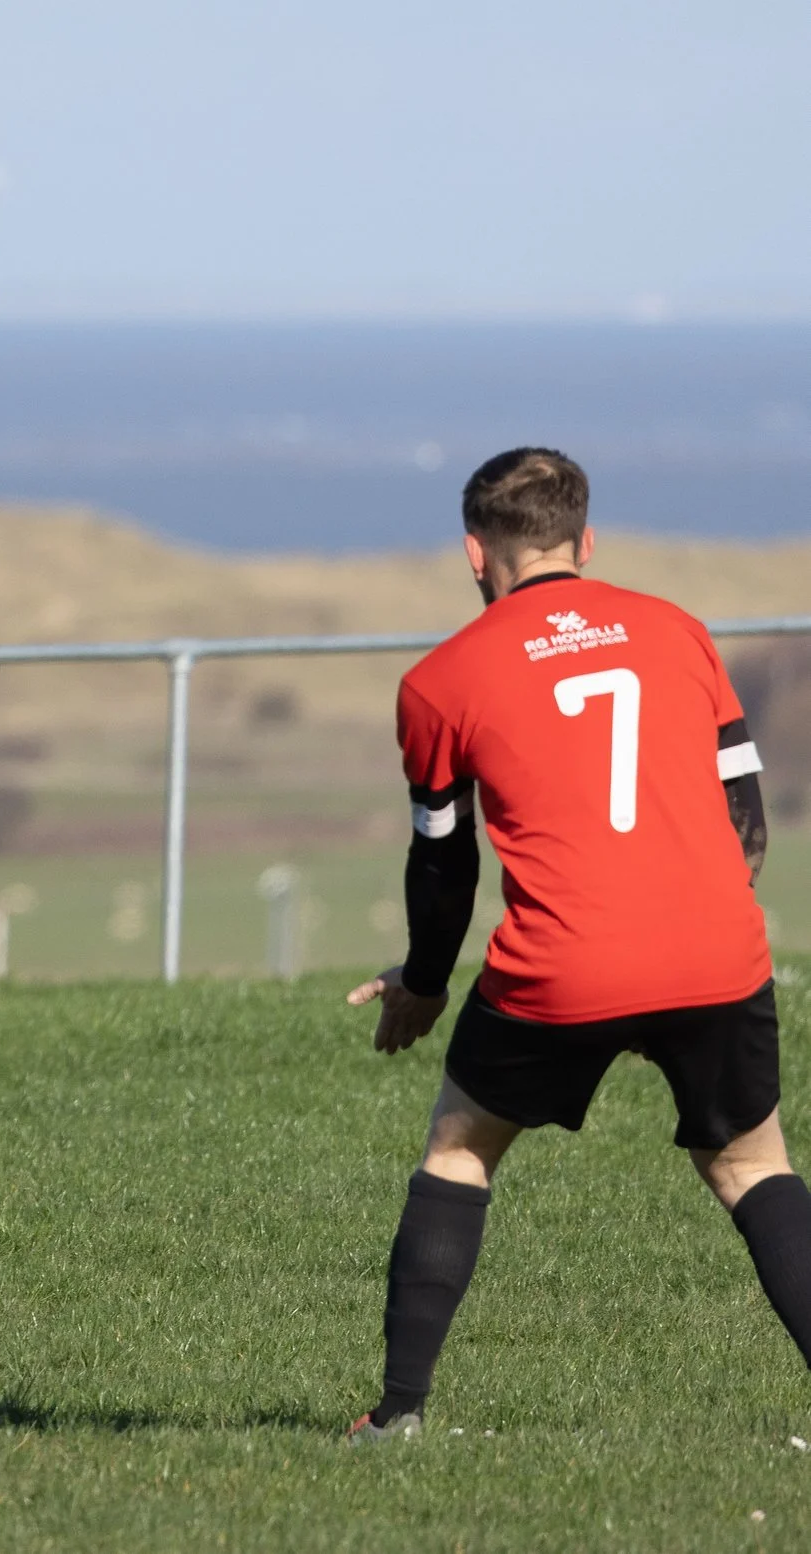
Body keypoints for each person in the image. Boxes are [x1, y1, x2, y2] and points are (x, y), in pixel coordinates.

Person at [345, 446, 811, 1441]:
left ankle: (397, 1418)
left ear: (475, 553)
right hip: (717, 948)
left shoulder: (439, 680)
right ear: (585, 541)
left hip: (563, 965)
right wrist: (688, 928)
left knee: (460, 1149)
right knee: (752, 1164)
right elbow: (747, 818)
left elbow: (443, 865)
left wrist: (420, 983)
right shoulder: (679, 630)